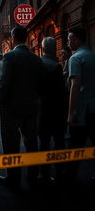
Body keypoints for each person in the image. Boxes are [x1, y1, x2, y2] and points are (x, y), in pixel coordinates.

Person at [0, 26, 44, 190]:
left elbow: (4, 82)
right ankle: (33, 176)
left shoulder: (10, 56)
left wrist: (0, 101)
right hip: (31, 106)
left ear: (13, 38)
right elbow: (40, 85)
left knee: (11, 143)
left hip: (12, 107)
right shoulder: (37, 58)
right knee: (32, 142)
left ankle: (13, 177)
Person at [66, 27, 95, 180]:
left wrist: (71, 113)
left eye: (69, 39)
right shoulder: (92, 54)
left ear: (76, 40)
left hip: (82, 110)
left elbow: (75, 86)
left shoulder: (75, 58)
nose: (67, 42)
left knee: (75, 146)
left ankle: (69, 178)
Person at [38, 37, 67, 184]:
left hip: (42, 110)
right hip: (57, 110)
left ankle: (44, 173)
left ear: (42, 49)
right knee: (59, 142)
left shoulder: (39, 64)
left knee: (43, 142)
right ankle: (60, 172)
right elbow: (62, 92)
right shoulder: (56, 65)